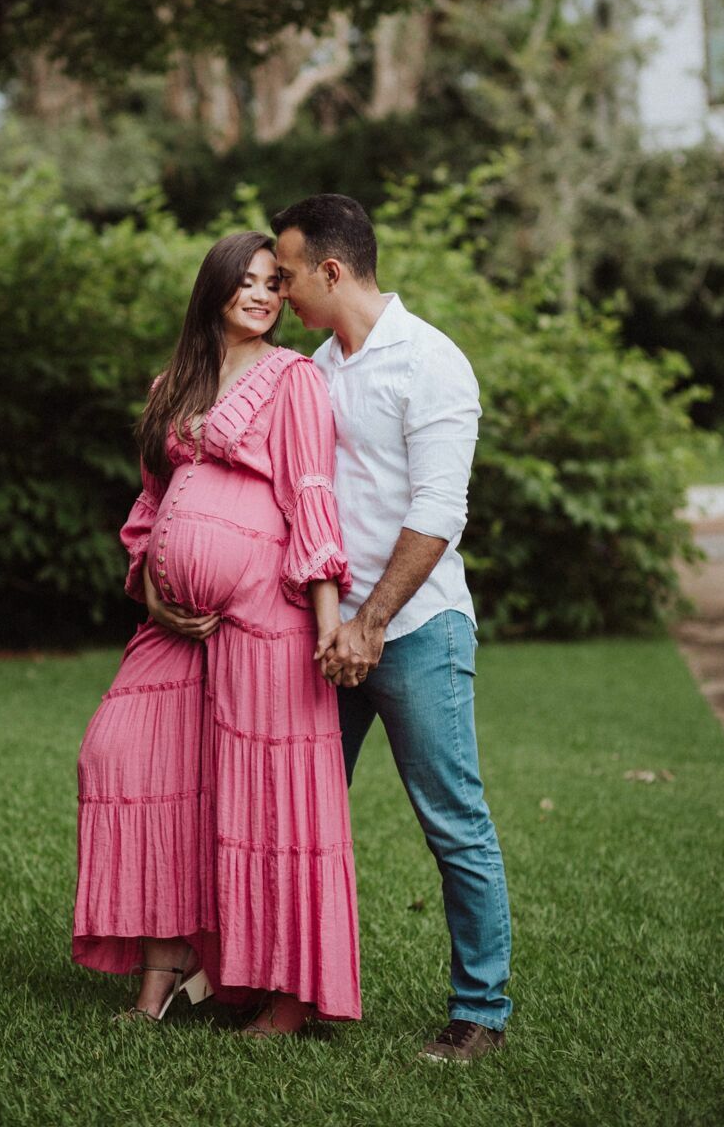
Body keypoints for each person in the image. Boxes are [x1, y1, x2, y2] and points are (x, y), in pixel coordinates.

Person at [72, 231, 361, 1034]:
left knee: (268, 803)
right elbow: (147, 509)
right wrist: (154, 594)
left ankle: (289, 995)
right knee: (122, 756)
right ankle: (166, 970)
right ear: (215, 289)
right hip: (176, 625)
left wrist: (328, 628)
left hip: (267, 617)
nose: (264, 296)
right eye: (248, 281)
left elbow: (312, 498)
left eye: (275, 284)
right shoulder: (173, 386)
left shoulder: (293, 378)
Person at [270, 194, 512, 1065]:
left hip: (415, 634)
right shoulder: (314, 367)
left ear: (331, 271)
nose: (280, 291)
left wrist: (371, 623)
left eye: (289, 274)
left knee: (453, 823)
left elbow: (438, 509)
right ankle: (289, 986)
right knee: (294, 814)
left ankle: (479, 1010)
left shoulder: (431, 363)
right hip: (328, 636)